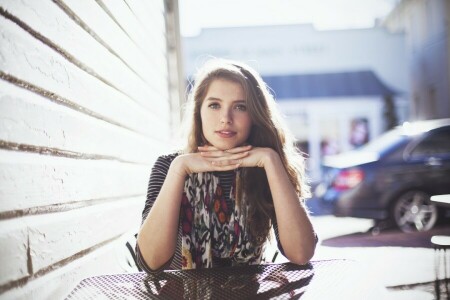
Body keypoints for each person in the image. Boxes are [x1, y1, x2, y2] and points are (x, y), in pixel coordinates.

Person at [136, 58, 317, 273]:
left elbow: (301, 253)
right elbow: (150, 261)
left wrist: (271, 160)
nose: (225, 118)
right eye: (214, 105)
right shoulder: (170, 165)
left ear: (254, 116)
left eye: (240, 107)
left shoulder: (266, 167)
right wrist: (180, 168)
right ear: (198, 112)